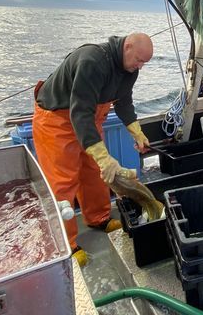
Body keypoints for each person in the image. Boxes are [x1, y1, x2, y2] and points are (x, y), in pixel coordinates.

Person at [32, 33, 153, 267]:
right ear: (127, 46)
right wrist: (103, 156)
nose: (140, 66)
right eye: (138, 60)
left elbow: (124, 101)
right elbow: (80, 112)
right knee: (63, 182)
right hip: (57, 120)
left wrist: (136, 130)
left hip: (90, 119)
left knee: (95, 172)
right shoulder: (92, 61)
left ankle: (98, 218)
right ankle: (66, 245)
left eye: (143, 63)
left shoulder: (131, 69)